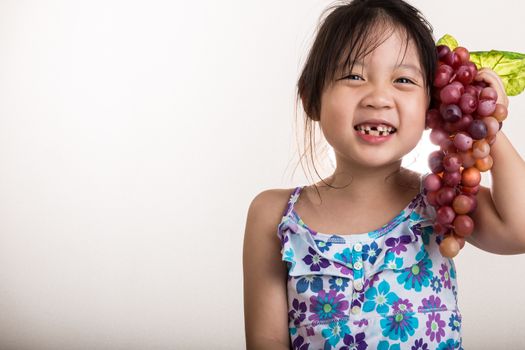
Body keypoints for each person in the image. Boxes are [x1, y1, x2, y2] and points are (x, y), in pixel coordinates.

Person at [242, 0, 525, 349]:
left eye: (403, 80)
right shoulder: (274, 216)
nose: (379, 97)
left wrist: (485, 124)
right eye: (354, 76)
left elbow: (520, 229)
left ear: (431, 108)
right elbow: (266, 339)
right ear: (311, 98)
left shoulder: (441, 202)